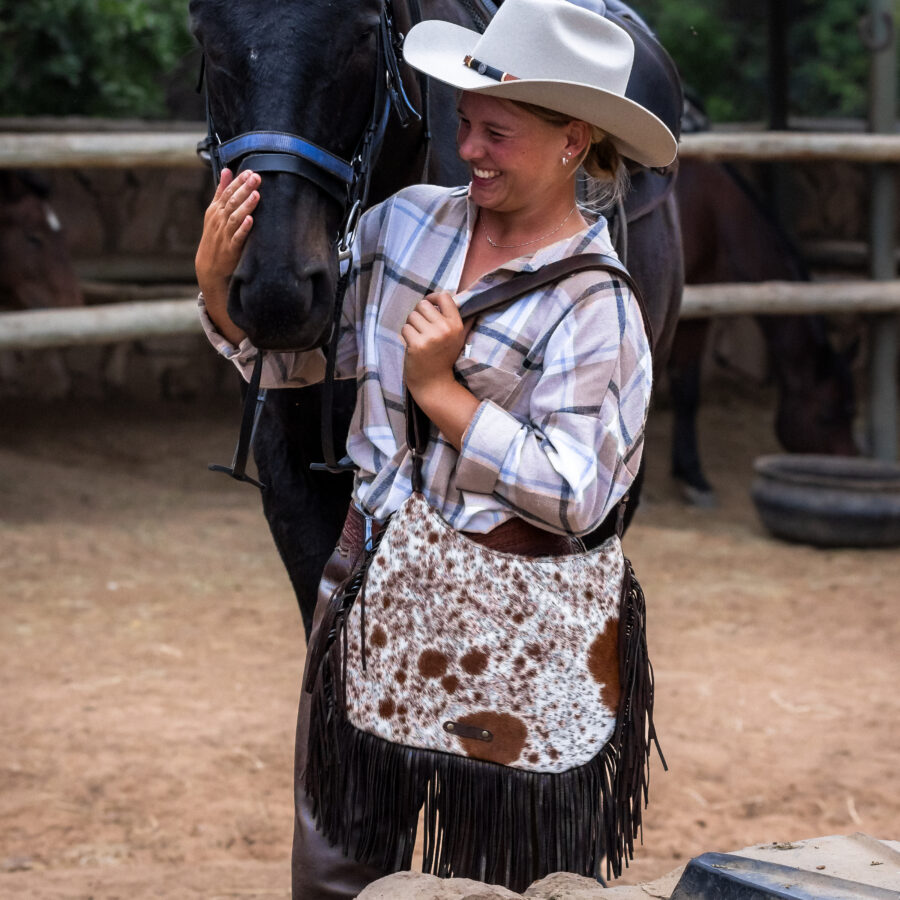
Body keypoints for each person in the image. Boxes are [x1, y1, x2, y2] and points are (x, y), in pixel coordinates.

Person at [195, 0, 676, 896]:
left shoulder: (597, 306)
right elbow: (304, 368)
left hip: (514, 627)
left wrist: (444, 396)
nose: (469, 150)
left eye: (497, 134)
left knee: (508, 877)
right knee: (335, 874)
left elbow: (579, 495)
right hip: (370, 595)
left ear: (573, 142)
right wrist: (220, 293)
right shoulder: (405, 226)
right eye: (464, 124)